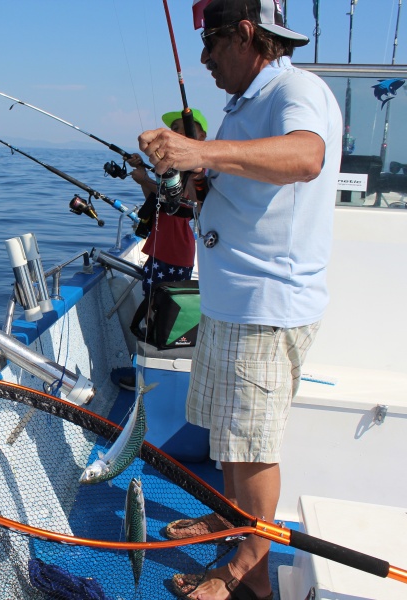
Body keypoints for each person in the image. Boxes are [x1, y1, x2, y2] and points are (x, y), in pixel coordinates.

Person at [137, 1, 342, 599]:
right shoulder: (243, 106)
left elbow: (305, 156)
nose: (204, 59)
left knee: (253, 448)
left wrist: (199, 152)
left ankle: (250, 568)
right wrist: (190, 178)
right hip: (231, 299)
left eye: (213, 44)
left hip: (266, 306)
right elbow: (241, 182)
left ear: (247, 34)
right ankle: (232, 518)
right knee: (230, 436)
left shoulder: (294, 89)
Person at [118, 110, 207, 392]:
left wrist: (145, 178)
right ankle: (145, 369)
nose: (174, 134)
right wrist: (144, 177)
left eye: (181, 129)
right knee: (152, 307)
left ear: (200, 136)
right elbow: (156, 204)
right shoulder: (174, 173)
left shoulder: (195, 176)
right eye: (174, 129)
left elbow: (177, 206)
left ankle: (148, 375)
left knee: (157, 312)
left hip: (173, 253)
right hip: (161, 251)